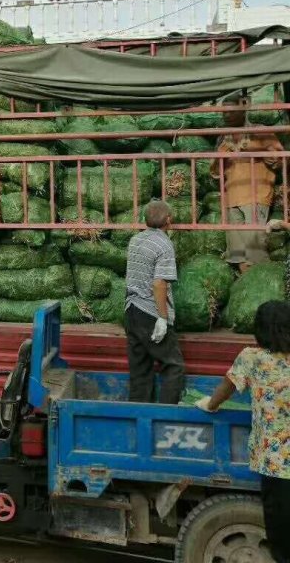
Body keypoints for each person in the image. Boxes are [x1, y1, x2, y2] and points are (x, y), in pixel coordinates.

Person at [196, 300, 290, 563]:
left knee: (282, 537)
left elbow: (226, 387)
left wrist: (210, 405)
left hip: (277, 466)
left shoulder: (252, 358)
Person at [124, 199, 185, 404]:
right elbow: (159, 284)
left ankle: (139, 416)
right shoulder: (164, 244)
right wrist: (162, 317)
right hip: (150, 312)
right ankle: (166, 416)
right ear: (169, 220)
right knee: (173, 365)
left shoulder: (136, 239)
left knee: (140, 369)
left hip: (131, 310)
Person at [214, 98, 283, 273]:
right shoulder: (222, 137)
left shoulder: (260, 131)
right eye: (224, 112)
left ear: (244, 107)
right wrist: (219, 158)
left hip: (256, 194)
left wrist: (260, 152)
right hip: (232, 197)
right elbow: (215, 170)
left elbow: (280, 158)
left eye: (232, 111)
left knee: (255, 250)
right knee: (237, 253)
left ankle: (262, 287)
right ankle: (248, 287)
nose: (227, 115)